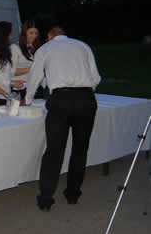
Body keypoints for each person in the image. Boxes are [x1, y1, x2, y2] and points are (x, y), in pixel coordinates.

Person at [23, 25, 101, 211]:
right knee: (80, 148)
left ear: (50, 36)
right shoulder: (83, 46)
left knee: (54, 151)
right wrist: (85, 91)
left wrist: (27, 99)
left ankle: (46, 198)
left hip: (61, 100)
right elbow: (96, 77)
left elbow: (34, 77)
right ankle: (73, 193)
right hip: (86, 99)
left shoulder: (45, 49)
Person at [10, 20, 43, 100]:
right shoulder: (15, 48)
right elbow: (12, 72)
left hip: (36, 89)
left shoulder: (39, 49)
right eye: (31, 33)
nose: (34, 36)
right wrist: (33, 68)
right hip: (20, 89)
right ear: (24, 33)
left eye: (36, 33)